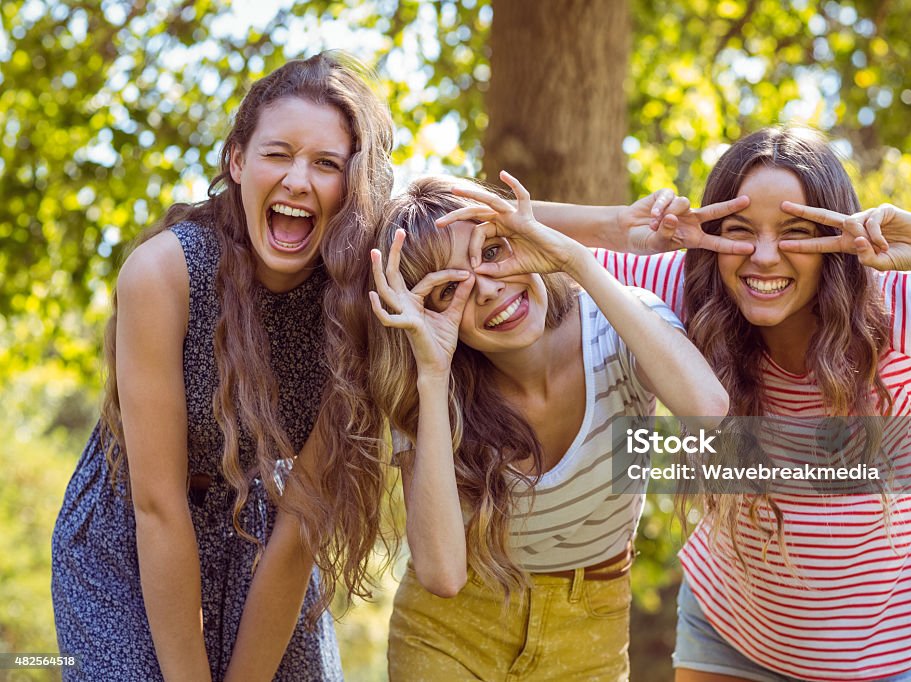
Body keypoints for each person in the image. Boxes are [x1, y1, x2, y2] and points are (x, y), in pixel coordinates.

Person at [566, 126, 911, 681]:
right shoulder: (688, 289)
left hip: (885, 662)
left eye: (795, 232)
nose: (763, 257)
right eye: (739, 231)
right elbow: (487, 226)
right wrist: (614, 226)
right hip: (724, 639)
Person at [51, 51, 394, 681]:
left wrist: (621, 226)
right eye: (277, 153)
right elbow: (158, 507)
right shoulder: (163, 274)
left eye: (326, 164)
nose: (297, 180)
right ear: (237, 162)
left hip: (259, 529)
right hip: (130, 536)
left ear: (354, 186)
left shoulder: (356, 303)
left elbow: (299, 526)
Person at [366, 172, 729, 680]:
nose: (488, 290)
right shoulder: (431, 385)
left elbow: (708, 410)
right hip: (451, 632)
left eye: (492, 252)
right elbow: (443, 574)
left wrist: (576, 257)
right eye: (451, 289)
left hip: (589, 629)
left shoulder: (616, 326)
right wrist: (431, 372)